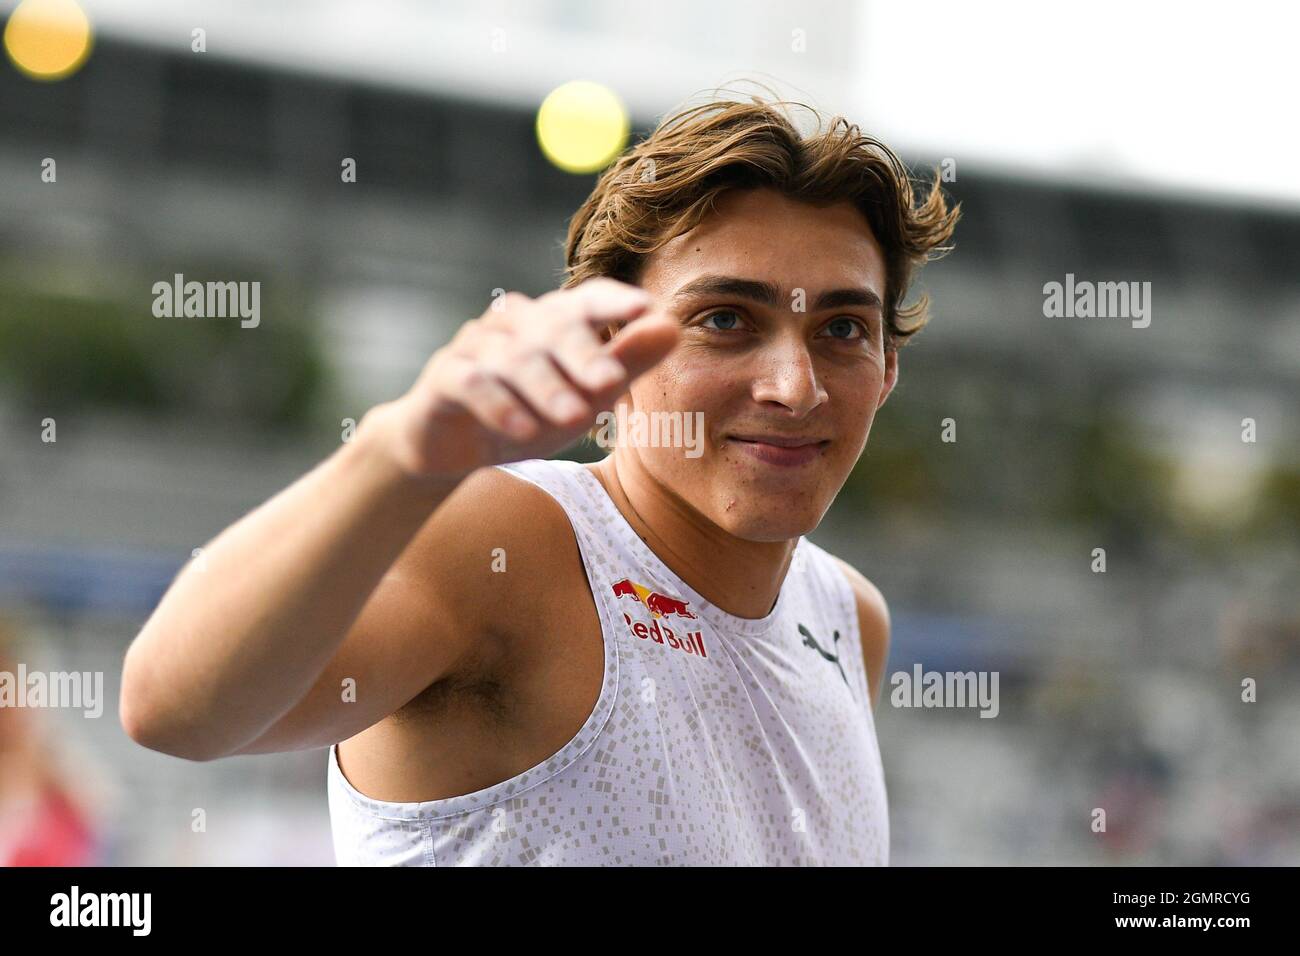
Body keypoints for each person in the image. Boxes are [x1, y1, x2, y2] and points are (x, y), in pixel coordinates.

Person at [120, 92, 958, 865]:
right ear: (607, 342)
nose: (793, 385)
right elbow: (173, 709)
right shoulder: (510, 547)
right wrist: (400, 451)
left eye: (842, 328)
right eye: (727, 319)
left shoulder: (850, 619)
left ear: (887, 369)